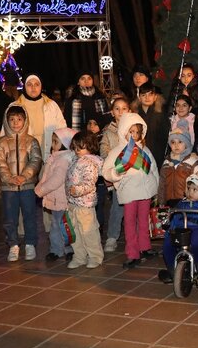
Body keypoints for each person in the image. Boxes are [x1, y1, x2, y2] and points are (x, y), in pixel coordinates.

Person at [102, 113, 159, 268]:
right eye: (130, 131)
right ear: (123, 131)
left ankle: (145, 247)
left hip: (145, 192)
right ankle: (132, 253)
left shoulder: (145, 150)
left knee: (143, 221)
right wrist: (116, 174)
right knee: (129, 223)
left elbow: (153, 168)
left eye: (137, 132)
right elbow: (106, 171)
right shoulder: (117, 152)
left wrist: (156, 187)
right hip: (128, 193)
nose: (134, 135)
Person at [0, 105, 43, 262]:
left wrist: (24, 176)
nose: (15, 123)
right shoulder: (1, 143)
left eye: (19, 120)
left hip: (27, 186)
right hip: (8, 187)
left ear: (25, 121)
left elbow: (36, 160)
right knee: (10, 218)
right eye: (12, 120)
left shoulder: (31, 141)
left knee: (29, 215)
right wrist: (9, 178)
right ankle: (13, 244)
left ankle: (30, 244)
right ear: (6, 121)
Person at [35, 128, 78, 262]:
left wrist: (40, 190)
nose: (52, 145)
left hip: (61, 200)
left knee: (64, 225)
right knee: (58, 225)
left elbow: (56, 180)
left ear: (65, 143)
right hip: (55, 199)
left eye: (55, 142)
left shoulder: (63, 160)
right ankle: (57, 249)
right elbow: (46, 176)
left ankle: (68, 249)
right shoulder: (56, 157)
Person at [8, 74, 67, 165]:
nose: (33, 87)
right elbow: (6, 133)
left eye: (36, 84)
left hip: (48, 152)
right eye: (29, 84)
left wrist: (59, 149)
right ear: (24, 86)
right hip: (24, 154)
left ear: (41, 86)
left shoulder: (51, 105)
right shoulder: (15, 106)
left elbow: (62, 128)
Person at [65, 131, 104, 269]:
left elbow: (89, 183)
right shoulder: (75, 160)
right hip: (72, 203)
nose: (77, 151)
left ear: (90, 147)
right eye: (75, 148)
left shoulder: (90, 163)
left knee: (89, 232)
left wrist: (78, 190)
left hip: (85, 205)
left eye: (80, 148)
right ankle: (79, 256)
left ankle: (95, 256)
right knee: (75, 232)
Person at [99, 97, 130, 253]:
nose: (120, 112)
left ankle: (135, 236)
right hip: (117, 173)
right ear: (112, 112)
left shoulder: (134, 127)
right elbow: (104, 150)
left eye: (124, 108)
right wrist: (110, 167)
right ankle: (112, 237)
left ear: (129, 110)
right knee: (117, 207)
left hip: (132, 174)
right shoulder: (108, 131)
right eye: (117, 109)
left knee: (133, 207)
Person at [157, 128, 198, 207]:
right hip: (169, 203)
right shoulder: (166, 163)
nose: (176, 145)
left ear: (186, 144)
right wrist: (161, 203)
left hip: (187, 203)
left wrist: (195, 202)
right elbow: (162, 185)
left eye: (180, 142)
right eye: (173, 142)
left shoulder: (193, 162)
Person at [131, 82, 169, 164]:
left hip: (158, 153)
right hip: (139, 153)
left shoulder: (160, 114)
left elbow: (165, 136)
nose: (147, 98)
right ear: (139, 97)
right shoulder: (134, 114)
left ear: (155, 97)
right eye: (144, 95)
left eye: (150, 94)